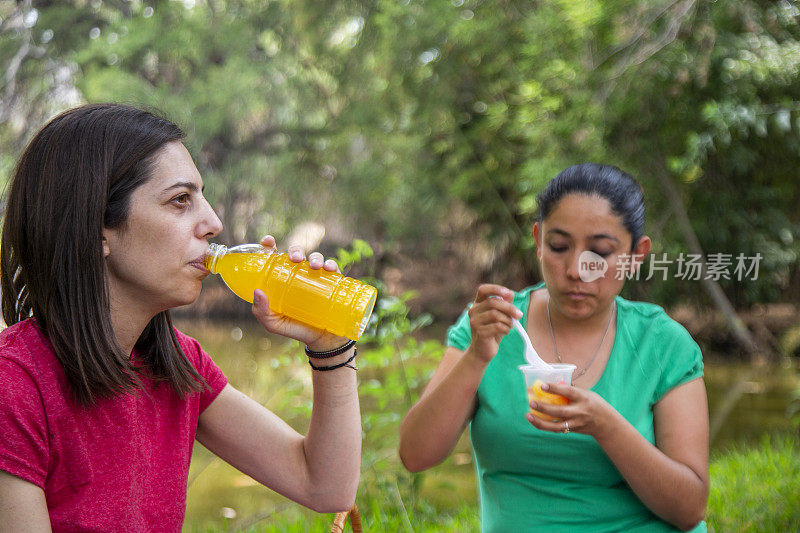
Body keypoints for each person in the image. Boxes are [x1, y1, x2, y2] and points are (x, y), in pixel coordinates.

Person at [0, 104, 361, 531]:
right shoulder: (15, 387)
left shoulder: (175, 366)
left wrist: (329, 345)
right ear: (97, 229)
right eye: (180, 201)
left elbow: (325, 486)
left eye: (202, 197)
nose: (212, 222)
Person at [399, 163, 709, 532]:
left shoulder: (661, 343)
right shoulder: (491, 326)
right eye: (559, 246)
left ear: (635, 255)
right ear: (537, 241)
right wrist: (477, 357)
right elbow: (415, 455)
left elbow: (689, 509)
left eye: (601, 253)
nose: (577, 270)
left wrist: (605, 425)